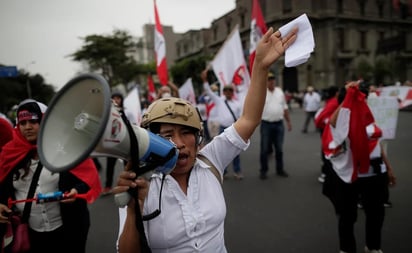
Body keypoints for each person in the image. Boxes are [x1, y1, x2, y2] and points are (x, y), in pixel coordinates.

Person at [114, 26, 298, 253]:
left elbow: (249, 120)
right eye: (167, 135)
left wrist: (259, 66)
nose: (179, 143)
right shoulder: (140, 184)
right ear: (151, 141)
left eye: (186, 133)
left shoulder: (210, 161)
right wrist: (133, 209)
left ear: (198, 137)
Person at [0, 99, 101, 253]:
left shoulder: (65, 148)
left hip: (70, 229)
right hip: (31, 234)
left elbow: (87, 178)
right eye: (23, 122)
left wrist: (76, 191)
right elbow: (2, 186)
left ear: (44, 122)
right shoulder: (9, 154)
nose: (27, 127)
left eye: (33, 121)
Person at [321, 82, 396, 253]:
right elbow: (331, 123)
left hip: (375, 174)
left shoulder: (370, 117)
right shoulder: (342, 120)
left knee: (376, 214)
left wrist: (389, 168)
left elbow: (378, 145)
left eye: (365, 98)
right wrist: (349, 97)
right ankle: (347, 249)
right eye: (361, 98)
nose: (364, 101)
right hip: (350, 176)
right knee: (347, 216)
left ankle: (373, 246)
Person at [202, 79, 243, 179]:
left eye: (230, 91)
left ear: (232, 92)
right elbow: (209, 92)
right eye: (226, 90)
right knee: (222, 151)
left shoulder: (237, 104)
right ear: (223, 92)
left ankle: (237, 171)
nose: (228, 92)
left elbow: (240, 117)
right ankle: (223, 172)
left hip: (234, 129)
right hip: (223, 129)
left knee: (235, 151)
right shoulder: (219, 101)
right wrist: (205, 80)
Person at [259, 72, 292, 179]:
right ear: (266, 81)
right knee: (264, 149)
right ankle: (263, 171)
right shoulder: (262, 92)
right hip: (266, 124)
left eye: (272, 79)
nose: (271, 81)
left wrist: (288, 122)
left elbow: (285, 107)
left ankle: (280, 169)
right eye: (269, 79)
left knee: (279, 149)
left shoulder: (279, 92)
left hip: (279, 124)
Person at [102, 91, 127, 195]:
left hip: (124, 143)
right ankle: (108, 187)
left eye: (118, 98)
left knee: (127, 165)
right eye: (114, 98)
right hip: (112, 143)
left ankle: (128, 185)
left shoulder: (126, 111)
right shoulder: (107, 112)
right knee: (110, 166)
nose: (116, 100)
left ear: (121, 100)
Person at [314, 85, 339, 183]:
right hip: (328, 130)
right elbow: (322, 117)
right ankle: (326, 173)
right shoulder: (334, 102)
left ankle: (327, 171)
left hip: (326, 129)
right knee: (328, 151)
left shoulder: (331, 101)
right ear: (336, 93)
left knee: (327, 150)